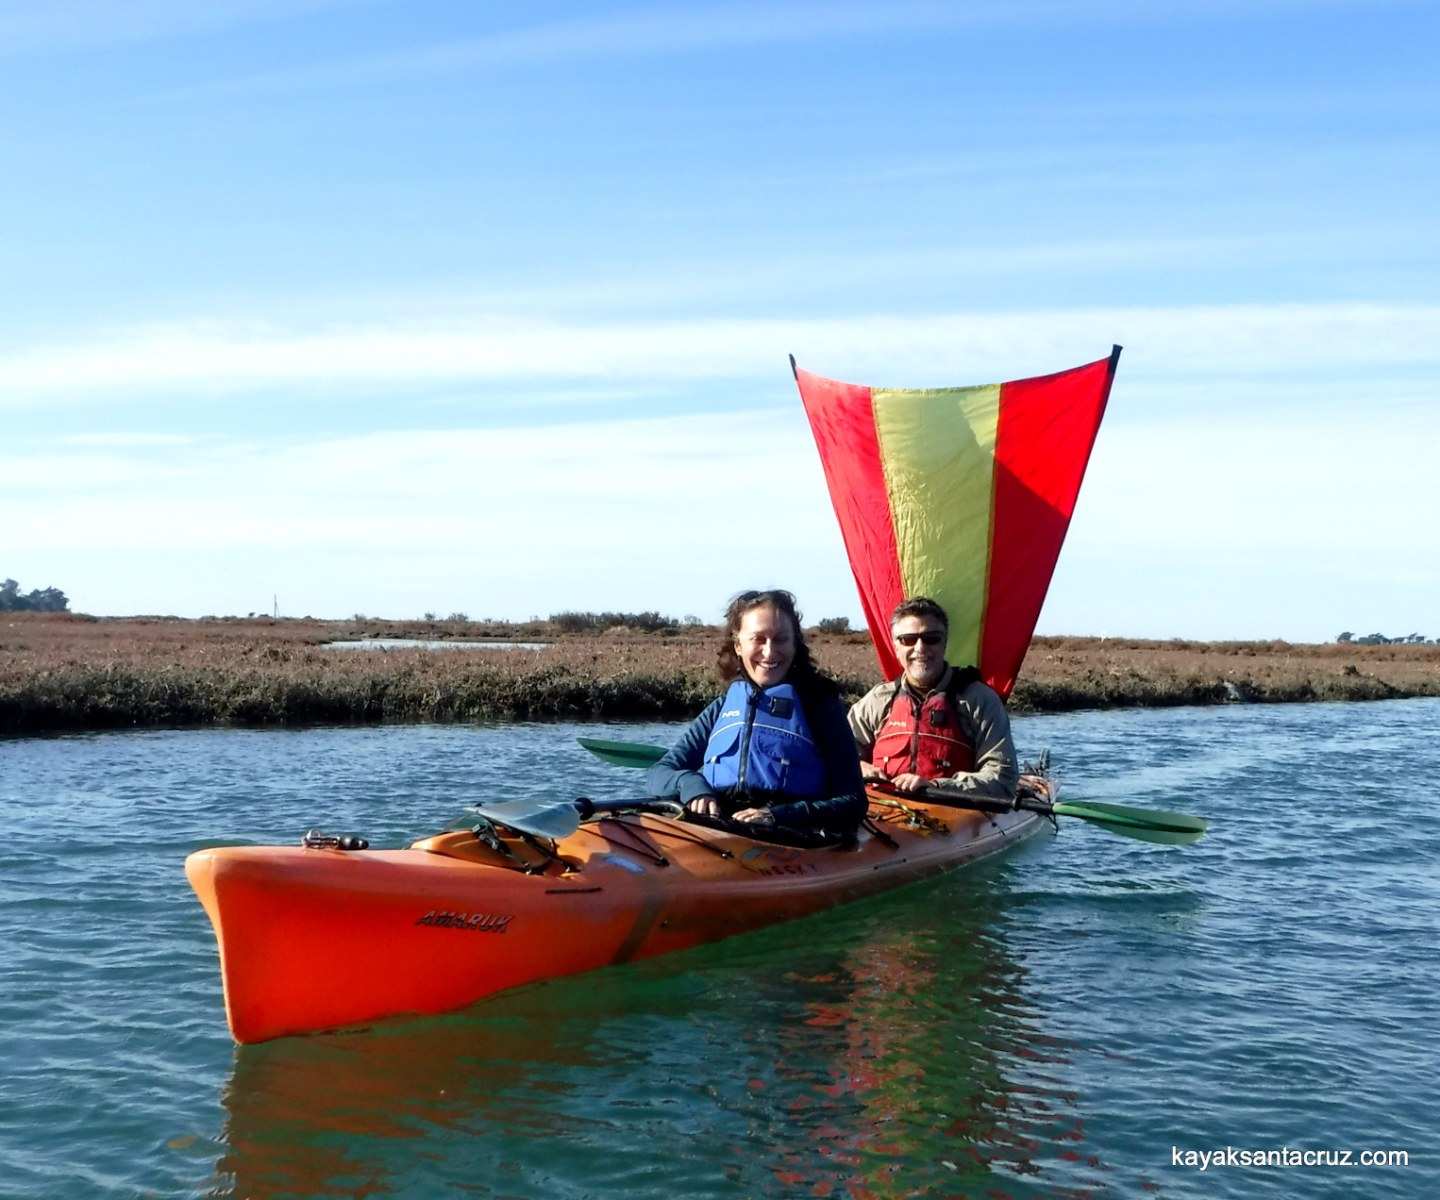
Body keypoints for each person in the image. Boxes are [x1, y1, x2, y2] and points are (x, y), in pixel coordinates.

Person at [644, 589, 867, 843]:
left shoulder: (820, 709)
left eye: (781, 639)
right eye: (758, 639)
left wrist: (777, 816)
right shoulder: (721, 709)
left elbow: (854, 802)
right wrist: (692, 787)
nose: (770, 652)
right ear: (738, 645)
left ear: (795, 644)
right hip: (719, 829)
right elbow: (658, 774)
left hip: (789, 837)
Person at [848, 597, 1018, 801]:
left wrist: (935, 786)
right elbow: (836, 756)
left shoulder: (980, 701)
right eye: (908, 639)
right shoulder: (876, 701)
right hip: (882, 813)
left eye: (931, 638)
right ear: (896, 647)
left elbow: (1002, 779)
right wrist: (858, 766)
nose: (920, 648)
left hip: (953, 818)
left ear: (945, 642)